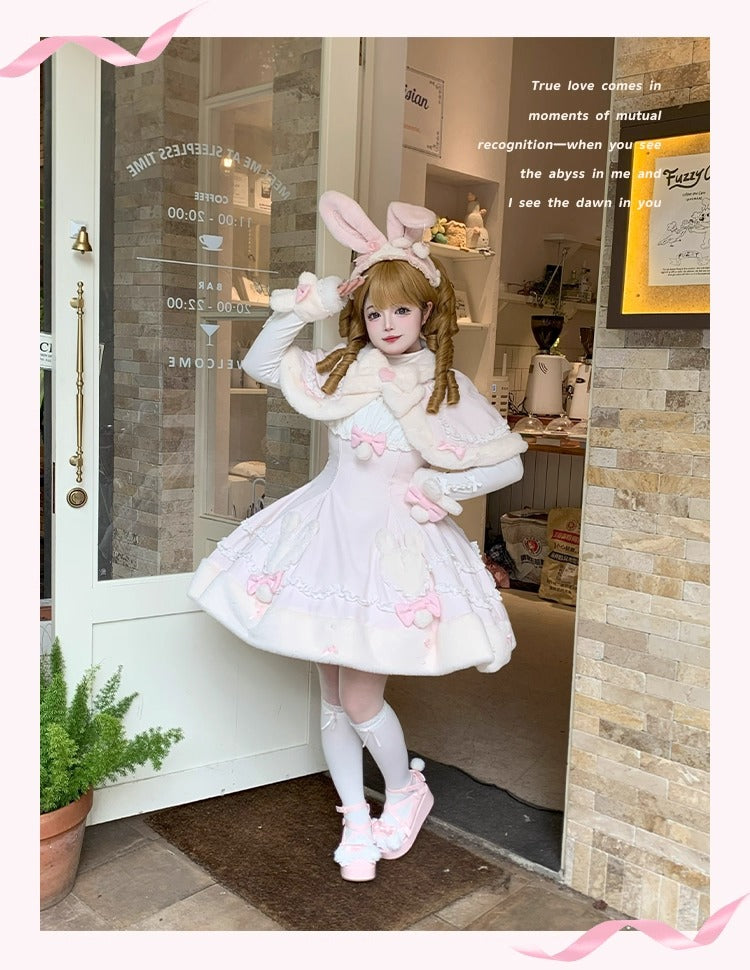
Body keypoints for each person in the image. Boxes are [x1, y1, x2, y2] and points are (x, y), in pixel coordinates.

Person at [188, 190, 527, 883]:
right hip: (326, 537)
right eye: (374, 312)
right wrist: (304, 308)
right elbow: (259, 364)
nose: (387, 324)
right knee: (333, 698)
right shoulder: (345, 368)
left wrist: (440, 487)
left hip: (392, 552)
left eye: (401, 310)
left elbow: (508, 463)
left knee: (362, 698)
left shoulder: (446, 386)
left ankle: (403, 791)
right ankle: (354, 816)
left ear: (426, 312)